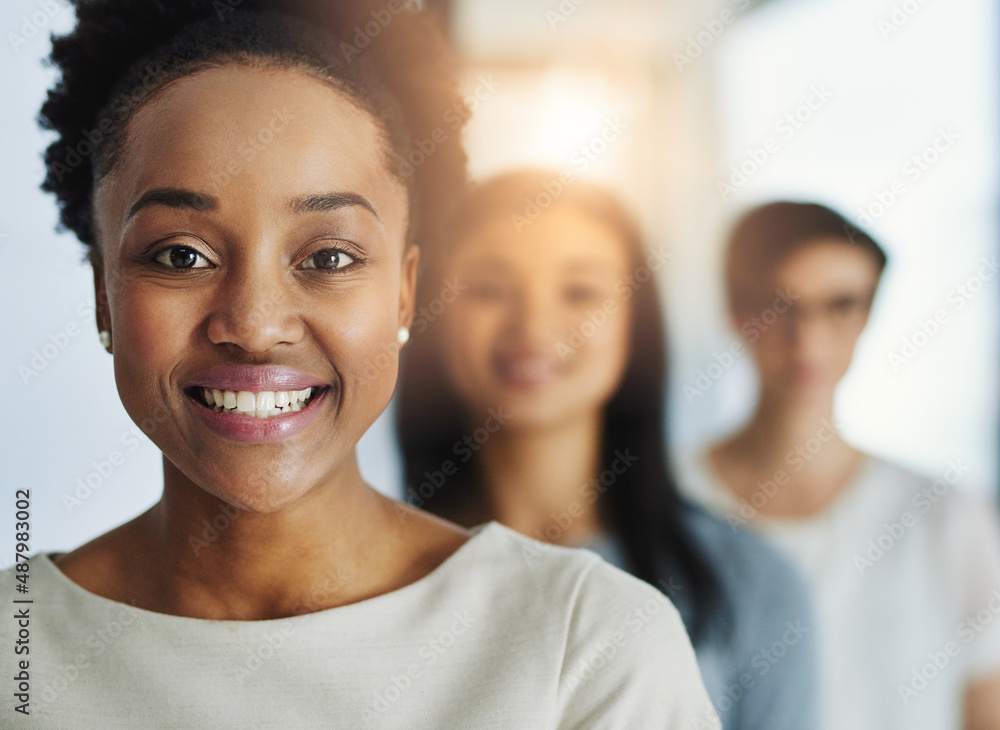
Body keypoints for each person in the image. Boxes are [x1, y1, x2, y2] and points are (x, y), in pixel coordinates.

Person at [0, 3, 720, 727]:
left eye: (328, 258)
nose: (254, 326)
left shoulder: (587, 649)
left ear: (405, 295)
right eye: (181, 255)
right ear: (103, 295)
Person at [396, 169, 819, 729]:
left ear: (634, 323)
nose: (535, 324)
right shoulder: (368, 576)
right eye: (490, 289)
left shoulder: (746, 582)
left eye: (580, 292)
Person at [674, 201, 1000, 730]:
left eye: (840, 305)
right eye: (779, 305)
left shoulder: (946, 515)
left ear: (868, 314)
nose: (808, 336)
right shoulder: (662, 502)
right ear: (734, 309)